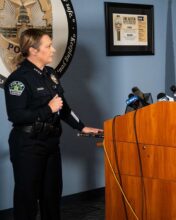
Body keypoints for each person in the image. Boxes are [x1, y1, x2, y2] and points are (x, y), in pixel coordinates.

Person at [4, 28, 103, 220]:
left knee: (52, 196)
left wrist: (81, 126)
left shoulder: (50, 74)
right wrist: (48, 109)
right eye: (48, 46)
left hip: (50, 142)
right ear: (33, 50)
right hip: (28, 145)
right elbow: (16, 116)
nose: (53, 50)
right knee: (27, 200)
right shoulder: (18, 80)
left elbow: (63, 107)